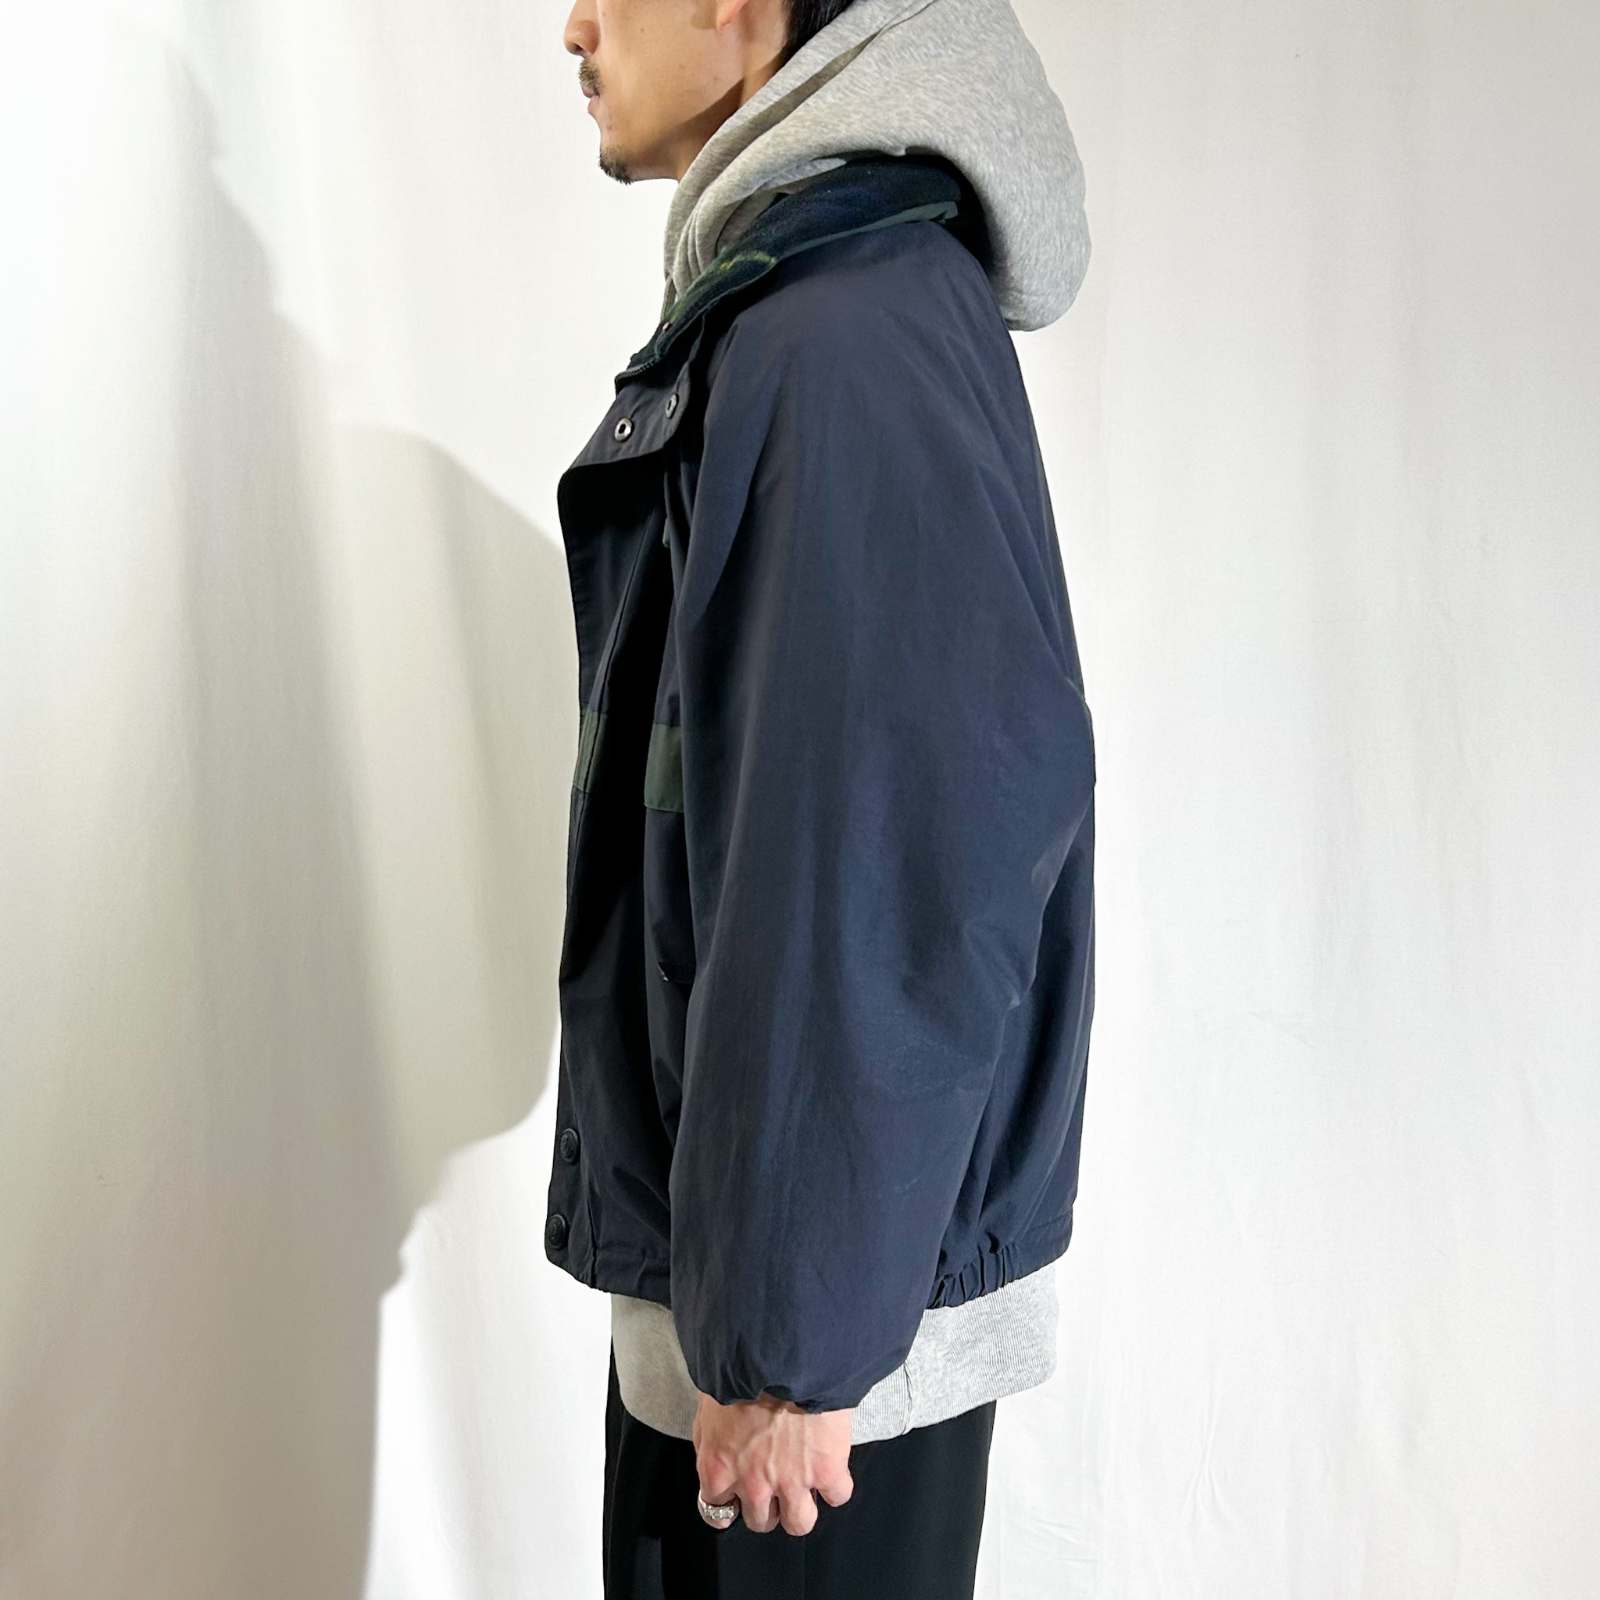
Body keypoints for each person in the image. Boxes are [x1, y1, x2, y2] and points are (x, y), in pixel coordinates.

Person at [554, 0, 1096, 1592]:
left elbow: (877, 847)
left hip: (808, 1377)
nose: (576, 26)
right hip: (784, 1312)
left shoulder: (838, 335)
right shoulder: (808, 305)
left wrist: (789, 1345)